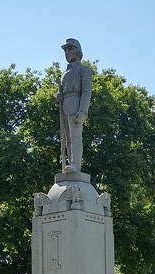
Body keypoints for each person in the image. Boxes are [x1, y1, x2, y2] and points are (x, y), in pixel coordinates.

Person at [57, 38, 92, 173]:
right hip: (65, 105)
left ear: (78, 51)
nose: (67, 52)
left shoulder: (84, 70)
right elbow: (61, 91)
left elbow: (86, 91)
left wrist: (83, 111)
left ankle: (76, 164)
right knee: (67, 138)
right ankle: (69, 162)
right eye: (66, 50)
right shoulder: (64, 74)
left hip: (76, 104)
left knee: (75, 136)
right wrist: (58, 98)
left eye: (70, 49)